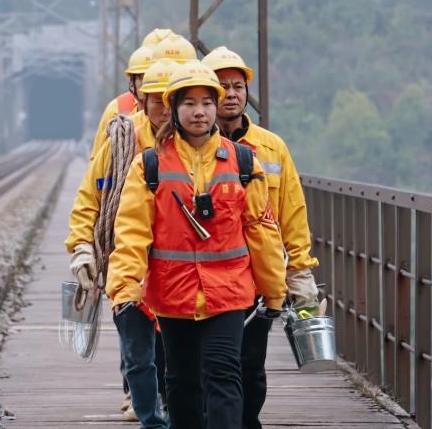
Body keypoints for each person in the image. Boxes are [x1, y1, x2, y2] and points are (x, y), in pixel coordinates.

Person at [107, 62, 287, 429]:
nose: (199, 111)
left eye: (207, 102)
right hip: (173, 295)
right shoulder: (149, 166)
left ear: (216, 107)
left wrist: (274, 291)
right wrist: (125, 287)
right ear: (173, 109)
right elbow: (132, 231)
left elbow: (260, 229)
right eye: (189, 103)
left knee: (224, 374)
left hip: (229, 293)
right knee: (181, 380)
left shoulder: (243, 162)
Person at [201, 46, 321, 428]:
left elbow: (292, 213)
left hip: (256, 280)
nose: (232, 94)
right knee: (209, 368)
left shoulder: (272, 148)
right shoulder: (190, 149)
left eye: (238, 86)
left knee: (250, 366)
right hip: (207, 278)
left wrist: (299, 271)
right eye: (222, 87)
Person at [67, 59, 179, 425]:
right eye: (156, 100)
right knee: (138, 354)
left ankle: (172, 411)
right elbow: (90, 198)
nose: (165, 108)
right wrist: (82, 247)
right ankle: (151, 419)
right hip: (128, 263)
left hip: (178, 270)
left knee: (175, 355)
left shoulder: (196, 147)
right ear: (141, 99)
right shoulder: (120, 141)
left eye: (171, 100)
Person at [89, 28, 176, 157]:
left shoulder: (193, 125)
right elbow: (99, 161)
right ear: (132, 83)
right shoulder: (117, 109)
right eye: (143, 76)